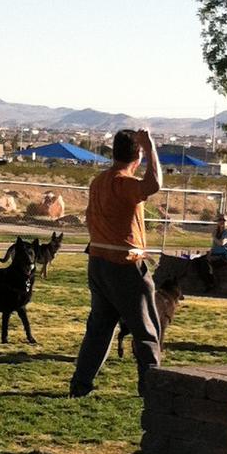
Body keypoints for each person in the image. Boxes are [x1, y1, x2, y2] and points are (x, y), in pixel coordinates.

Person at [69, 128, 163, 398]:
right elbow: (154, 184)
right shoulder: (123, 183)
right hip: (125, 265)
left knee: (99, 329)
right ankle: (152, 390)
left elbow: (92, 215)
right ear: (138, 155)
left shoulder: (98, 181)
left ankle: (80, 386)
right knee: (146, 331)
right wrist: (151, 147)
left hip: (98, 262)